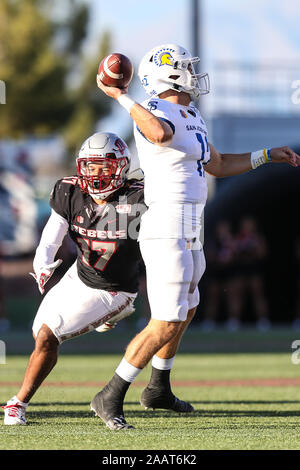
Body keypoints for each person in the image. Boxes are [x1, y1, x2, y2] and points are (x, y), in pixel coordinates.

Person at [93, 43, 300, 430]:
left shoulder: (191, 114)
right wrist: (122, 96)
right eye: (185, 67)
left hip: (191, 225)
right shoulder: (151, 109)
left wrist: (267, 155)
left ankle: (158, 387)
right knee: (167, 319)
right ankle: (110, 394)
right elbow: (157, 133)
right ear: (167, 74)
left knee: (187, 308)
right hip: (166, 224)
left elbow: (217, 164)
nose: (192, 72)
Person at [2, 131, 146, 425]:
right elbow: (52, 234)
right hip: (79, 275)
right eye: (90, 166)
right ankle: (105, 318)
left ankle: (17, 403)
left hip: (115, 289)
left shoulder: (140, 196)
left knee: (47, 337)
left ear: (120, 167)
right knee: (38, 333)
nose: (96, 174)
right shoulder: (70, 191)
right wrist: (42, 263)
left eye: (104, 166)